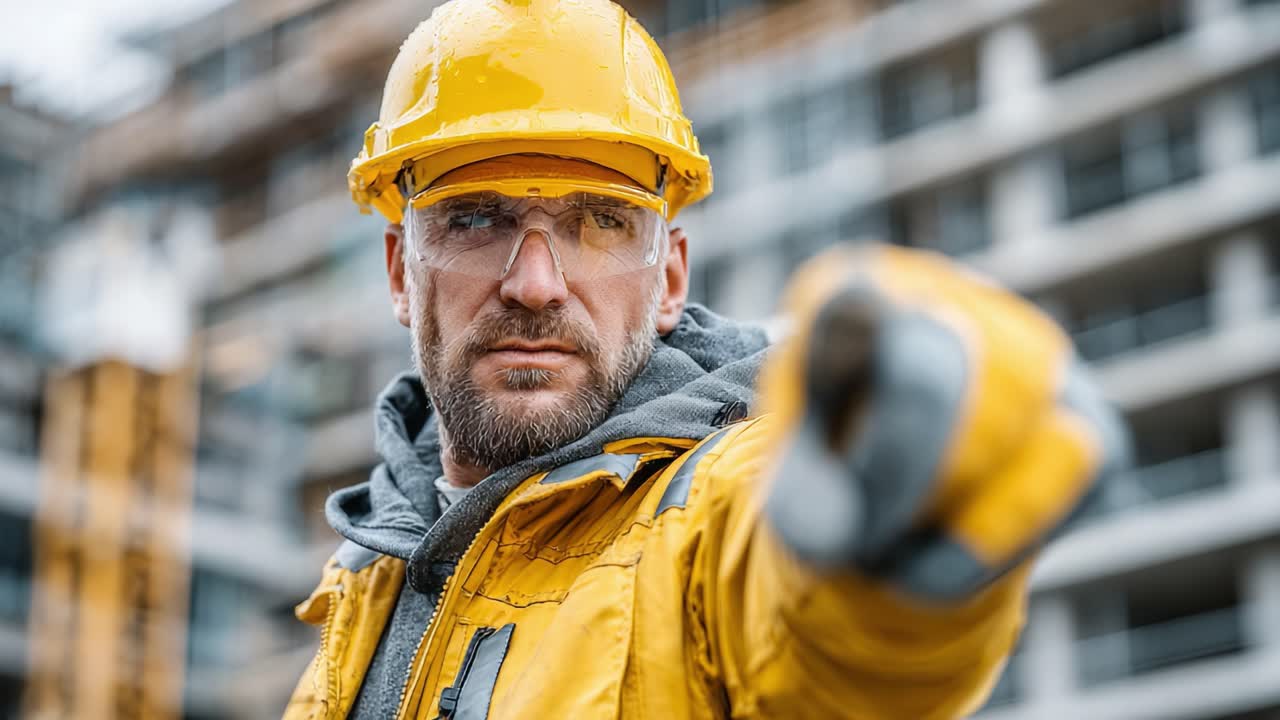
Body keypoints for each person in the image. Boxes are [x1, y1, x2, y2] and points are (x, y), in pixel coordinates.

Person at [284, 1, 1128, 718]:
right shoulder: (356, 601)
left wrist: (886, 553)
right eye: (474, 219)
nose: (535, 284)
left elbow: (815, 631)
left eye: (600, 222)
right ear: (400, 273)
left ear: (671, 280)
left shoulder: (716, 517)